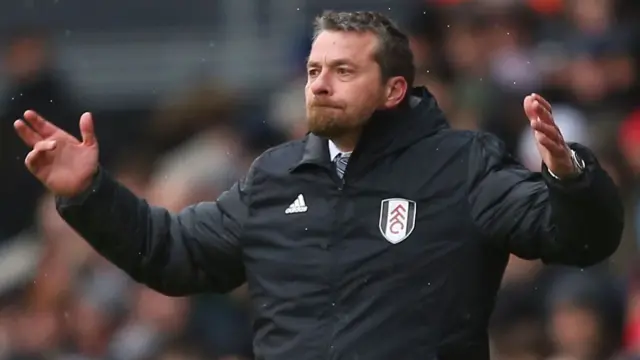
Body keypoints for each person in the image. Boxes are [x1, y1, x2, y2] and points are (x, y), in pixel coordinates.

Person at [14, 11, 623, 360]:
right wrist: (89, 192)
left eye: (342, 70)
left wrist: (570, 178)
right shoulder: (275, 177)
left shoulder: (461, 165)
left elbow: (579, 240)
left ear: (393, 91)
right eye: (312, 70)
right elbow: (172, 253)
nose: (320, 84)